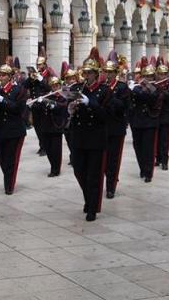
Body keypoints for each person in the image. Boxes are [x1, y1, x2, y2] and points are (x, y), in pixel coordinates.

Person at [69, 47, 110, 221]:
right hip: (78, 136)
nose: (85, 76)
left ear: (95, 73)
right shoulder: (77, 88)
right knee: (79, 171)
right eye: (84, 73)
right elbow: (69, 106)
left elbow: (106, 115)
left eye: (89, 73)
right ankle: (88, 197)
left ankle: (92, 206)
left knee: (94, 174)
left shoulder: (104, 90)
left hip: (95, 137)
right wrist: (70, 108)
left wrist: (89, 103)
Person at [0, 63, 27, 195]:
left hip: (14, 130)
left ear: (10, 77)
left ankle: (9, 185)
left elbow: (19, 109)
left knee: (11, 159)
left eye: (3, 75)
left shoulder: (19, 90)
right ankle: (8, 178)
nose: (0, 77)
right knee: (1, 157)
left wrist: (3, 101)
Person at [102, 51, 130, 199]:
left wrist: (110, 95)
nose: (108, 75)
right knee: (103, 160)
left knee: (113, 159)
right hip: (102, 128)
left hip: (116, 128)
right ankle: (110, 178)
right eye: (106, 72)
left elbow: (124, 106)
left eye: (110, 72)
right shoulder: (101, 87)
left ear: (115, 73)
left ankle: (111, 187)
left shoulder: (122, 87)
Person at [31, 76, 67, 177]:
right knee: (48, 149)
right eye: (53, 86)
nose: (55, 88)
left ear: (60, 85)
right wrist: (35, 103)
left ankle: (56, 169)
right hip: (46, 126)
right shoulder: (47, 96)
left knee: (56, 150)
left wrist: (52, 104)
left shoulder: (63, 96)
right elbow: (38, 108)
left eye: (57, 85)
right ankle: (53, 165)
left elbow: (62, 107)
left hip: (56, 126)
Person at [130, 57, 160, 183]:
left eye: (150, 76)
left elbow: (152, 97)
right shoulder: (136, 87)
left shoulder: (156, 88)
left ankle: (148, 172)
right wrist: (142, 88)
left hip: (150, 121)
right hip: (137, 121)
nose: (148, 79)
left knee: (148, 148)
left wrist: (147, 87)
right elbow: (136, 95)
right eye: (146, 76)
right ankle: (142, 168)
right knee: (138, 147)